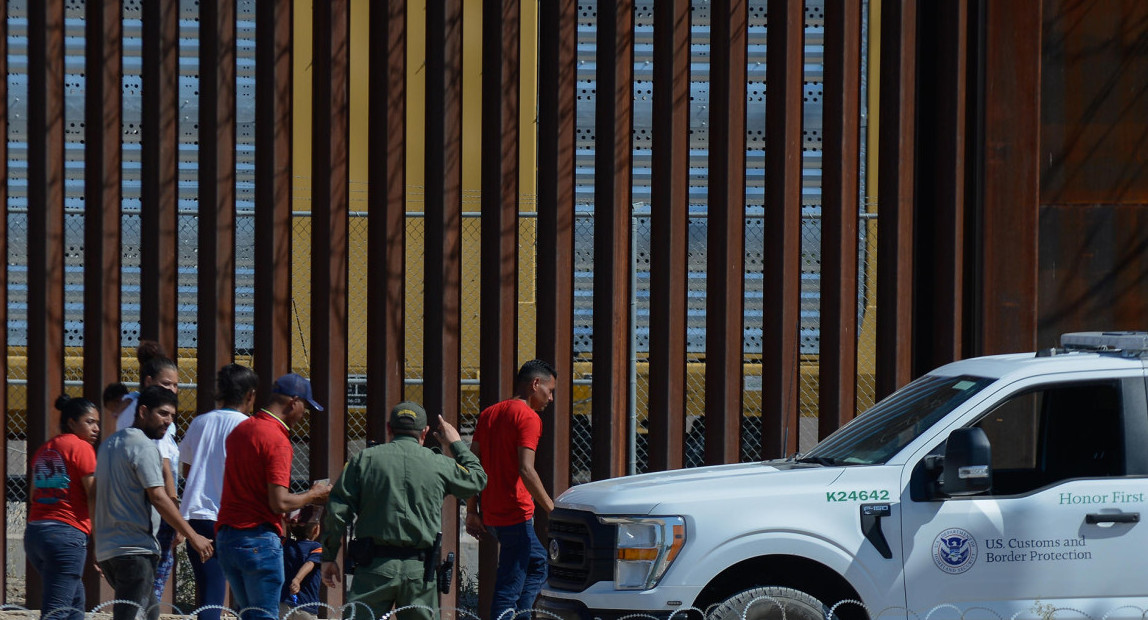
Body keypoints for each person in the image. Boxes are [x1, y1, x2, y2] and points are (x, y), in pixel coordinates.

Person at [320, 402, 487, 620]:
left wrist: (329, 555)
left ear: (389, 428)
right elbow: (478, 479)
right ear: (425, 432)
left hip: (373, 567)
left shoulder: (364, 460)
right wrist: (455, 443)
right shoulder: (438, 463)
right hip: (419, 571)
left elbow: (337, 512)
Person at [215, 373, 332, 620]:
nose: (304, 415)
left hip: (227, 538)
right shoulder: (277, 439)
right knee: (265, 616)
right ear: (294, 402)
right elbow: (279, 502)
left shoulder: (241, 430)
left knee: (248, 615)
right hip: (258, 541)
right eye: (305, 408)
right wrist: (313, 495)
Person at [91, 385, 213, 620]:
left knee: (150, 613)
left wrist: (97, 541)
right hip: (135, 551)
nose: (168, 421)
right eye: (163, 413)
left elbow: (93, 495)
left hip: (110, 550)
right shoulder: (145, 447)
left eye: (172, 416)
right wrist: (193, 536)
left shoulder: (108, 445)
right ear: (143, 411)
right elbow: (158, 496)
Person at [465, 359, 557, 620]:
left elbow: (472, 465)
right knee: (509, 586)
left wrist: (472, 510)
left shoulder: (489, 413)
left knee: (538, 563)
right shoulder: (529, 417)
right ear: (535, 384)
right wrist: (552, 510)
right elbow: (526, 470)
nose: (550, 398)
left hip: (492, 513)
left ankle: (522, 616)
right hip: (515, 513)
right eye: (549, 391)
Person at [178, 363, 258, 620]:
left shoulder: (200, 422)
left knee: (208, 590)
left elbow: (187, 470)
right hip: (228, 517)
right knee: (230, 593)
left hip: (196, 515)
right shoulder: (248, 426)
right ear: (249, 395)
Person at [116, 341, 183, 600]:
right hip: (154, 507)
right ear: (148, 381)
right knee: (152, 585)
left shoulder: (129, 405)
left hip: (134, 505)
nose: (172, 390)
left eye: (176, 385)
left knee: (138, 586)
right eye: (166, 384)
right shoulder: (153, 415)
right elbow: (164, 466)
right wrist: (175, 514)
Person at [25, 395, 100, 620]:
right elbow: (93, 493)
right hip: (66, 536)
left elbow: (33, 495)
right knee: (57, 611)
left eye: (97, 423)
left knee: (75, 601)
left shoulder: (45, 449)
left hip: (36, 535)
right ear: (71, 423)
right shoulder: (81, 447)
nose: (96, 428)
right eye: (90, 422)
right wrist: (99, 539)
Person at [280, 505, 325, 620]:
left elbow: (279, 534)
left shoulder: (286, 544)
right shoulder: (317, 547)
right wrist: (298, 579)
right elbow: (310, 563)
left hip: (284, 604)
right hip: (307, 607)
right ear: (316, 529)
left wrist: (286, 521)